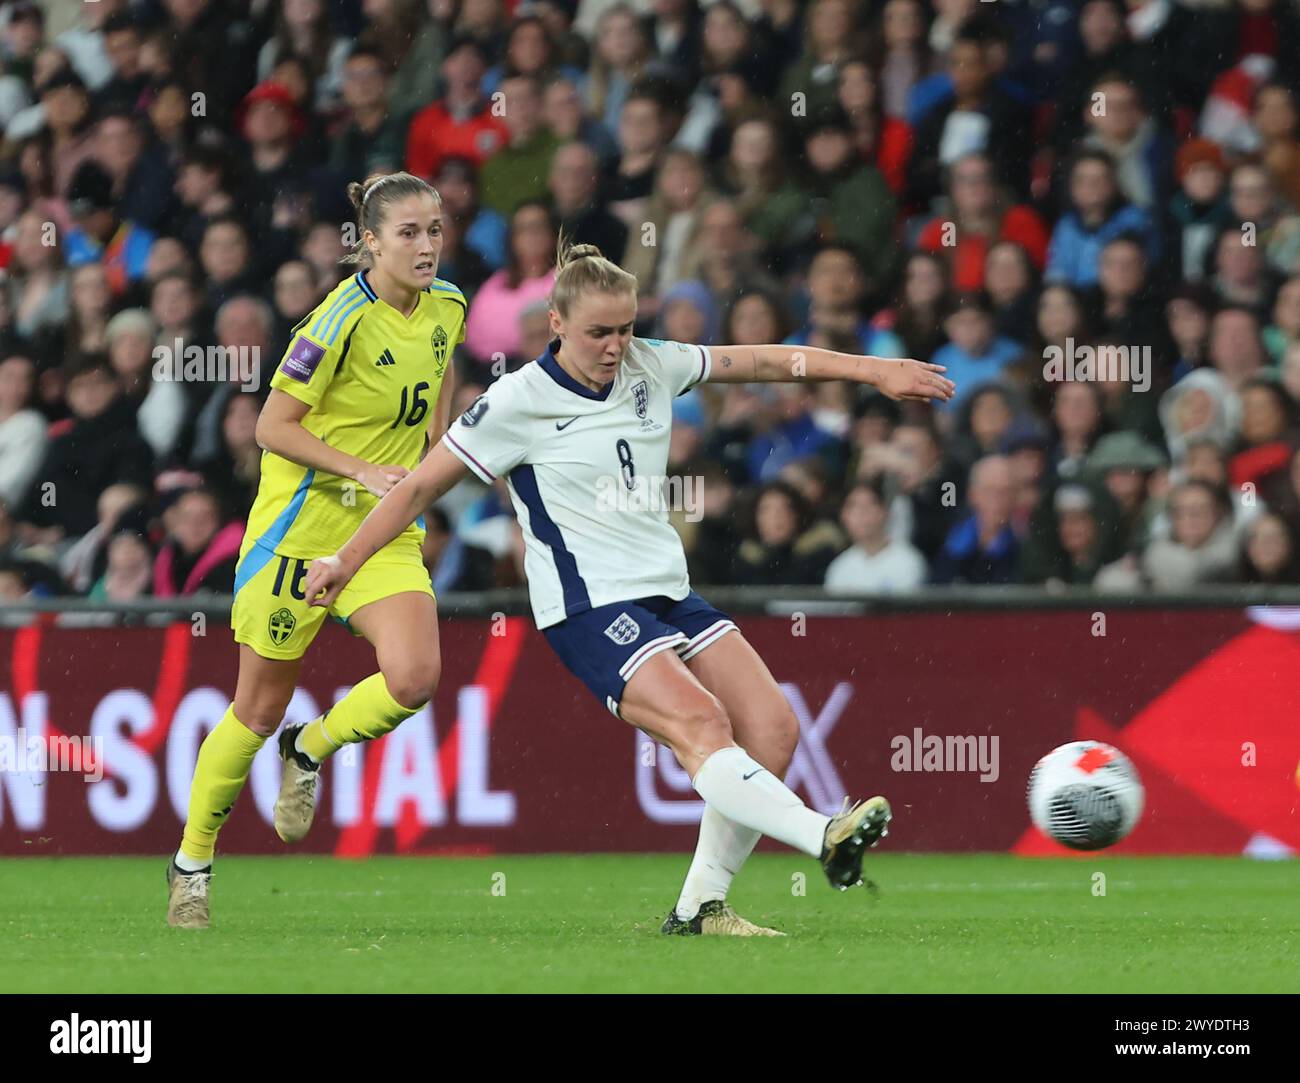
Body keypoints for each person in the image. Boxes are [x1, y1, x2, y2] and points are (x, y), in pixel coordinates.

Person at [304, 240, 954, 936]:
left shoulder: (651, 364)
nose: (616, 346)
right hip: (587, 606)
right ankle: (822, 833)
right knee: (702, 723)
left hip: (667, 590)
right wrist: (345, 559)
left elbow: (764, 359)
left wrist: (874, 370)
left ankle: (699, 907)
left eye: (626, 328)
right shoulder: (515, 402)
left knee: (774, 727)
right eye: (598, 332)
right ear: (556, 322)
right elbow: (420, 489)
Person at [165, 172, 467, 930]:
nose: (427, 245)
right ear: (369, 242)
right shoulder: (335, 321)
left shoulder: (450, 307)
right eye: (408, 233)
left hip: (384, 529)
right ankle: (193, 863)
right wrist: (361, 466)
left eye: (434, 229)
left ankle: (313, 744)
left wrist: (433, 461)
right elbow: (272, 426)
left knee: (416, 675)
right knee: (255, 708)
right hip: (298, 535)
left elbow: (440, 375)